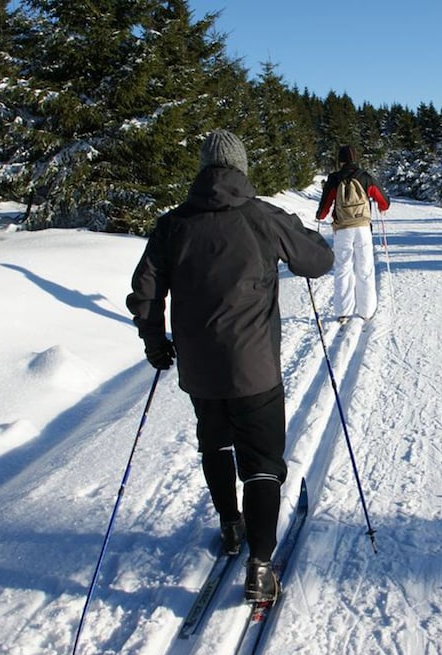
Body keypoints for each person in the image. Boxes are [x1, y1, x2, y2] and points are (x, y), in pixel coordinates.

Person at [126, 129, 334, 604]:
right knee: (261, 464)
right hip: (255, 367)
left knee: (215, 444)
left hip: (199, 369)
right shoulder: (262, 216)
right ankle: (260, 565)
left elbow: (146, 292)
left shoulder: (173, 224)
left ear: (202, 169)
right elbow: (318, 261)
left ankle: (230, 526)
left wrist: (155, 342)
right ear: (240, 168)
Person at [315, 145, 390, 322]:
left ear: (340, 160)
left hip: (342, 230)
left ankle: (343, 312)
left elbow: (324, 208)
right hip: (363, 229)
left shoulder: (334, 178)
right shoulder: (365, 177)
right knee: (365, 270)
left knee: (343, 269)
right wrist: (381, 206)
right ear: (355, 159)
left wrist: (320, 216)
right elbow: (384, 201)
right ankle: (367, 311)